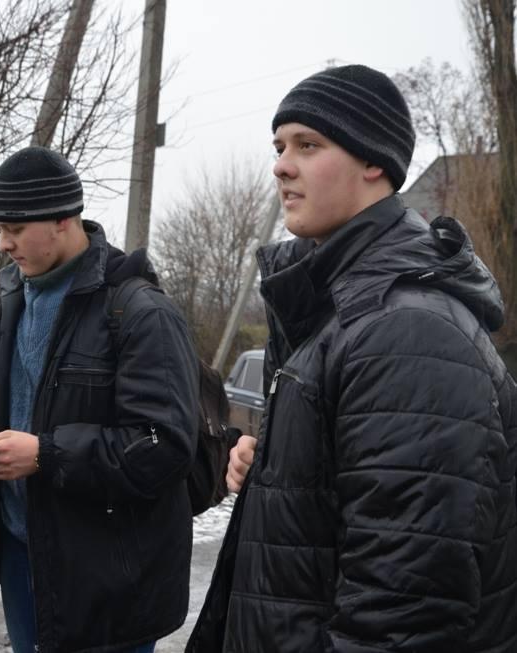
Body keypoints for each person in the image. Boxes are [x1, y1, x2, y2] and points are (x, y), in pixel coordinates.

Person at [188, 65, 517, 652]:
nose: (281, 165)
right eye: (280, 146)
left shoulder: (408, 331)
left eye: (308, 145)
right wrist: (277, 467)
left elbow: (405, 614)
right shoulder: (339, 309)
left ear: (375, 164)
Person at [0, 146, 200, 653]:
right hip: (21, 550)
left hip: (107, 574)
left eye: (13, 229)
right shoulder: (9, 298)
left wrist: (45, 453)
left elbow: (164, 445)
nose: (1, 243)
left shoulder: (141, 312)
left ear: (62, 219)